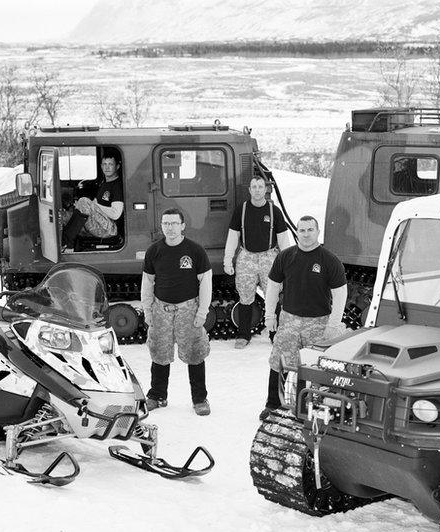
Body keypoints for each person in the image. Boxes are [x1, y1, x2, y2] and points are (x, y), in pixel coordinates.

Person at [261, 215, 347, 420]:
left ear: (317, 232)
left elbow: (341, 293)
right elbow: (273, 286)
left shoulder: (329, 260)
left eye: (310, 230)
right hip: (289, 319)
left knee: (318, 368)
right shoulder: (286, 257)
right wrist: (269, 314)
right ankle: (272, 405)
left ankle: (315, 407)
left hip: (318, 323)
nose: (306, 234)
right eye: (302, 230)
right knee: (278, 363)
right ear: (296, 232)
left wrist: (333, 325)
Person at [141, 208, 212, 416]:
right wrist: (147, 310)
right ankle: (157, 396)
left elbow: (206, 282)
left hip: (188, 309)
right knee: (159, 352)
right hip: (161, 309)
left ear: (182, 225)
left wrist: (202, 312)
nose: (169, 227)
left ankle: (199, 399)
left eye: (173, 223)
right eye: (165, 223)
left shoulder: (195, 251)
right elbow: (147, 282)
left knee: (195, 353)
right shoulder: (154, 251)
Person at [223, 175, 294, 349]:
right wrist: (228, 260)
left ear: (266, 189)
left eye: (260, 187)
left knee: (273, 296)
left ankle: (275, 335)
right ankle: (243, 335)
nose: (257, 190)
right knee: (245, 297)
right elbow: (233, 236)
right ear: (249, 190)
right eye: (253, 187)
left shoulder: (273, 211)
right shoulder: (242, 210)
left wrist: (289, 264)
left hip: (269, 257)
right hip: (247, 257)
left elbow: (283, 239)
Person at [60, 152, 124, 251]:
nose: (107, 167)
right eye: (104, 164)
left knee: (84, 201)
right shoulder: (104, 183)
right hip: (98, 222)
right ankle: (59, 243)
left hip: (109, 229)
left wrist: (94, 205)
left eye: (111, 164)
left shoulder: (117, 186)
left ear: (117, 166)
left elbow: (116, 214)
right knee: (62, 215)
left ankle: (67, 243)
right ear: (101, 166)